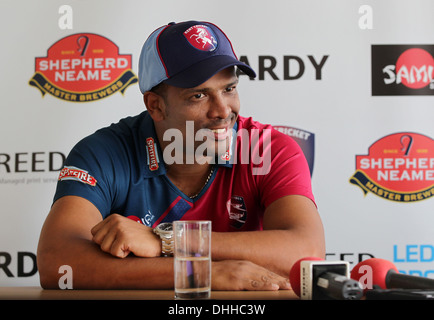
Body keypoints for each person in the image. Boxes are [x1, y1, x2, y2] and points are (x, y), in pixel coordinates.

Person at [37, 20, 325, 291]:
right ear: (155, 106)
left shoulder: (270, 148)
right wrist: (204, 274)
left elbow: (307, 254)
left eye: (229, 89)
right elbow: (57, 263)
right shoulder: (104, 152)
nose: (223, 111)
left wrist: (170, 241)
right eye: (198, 96)